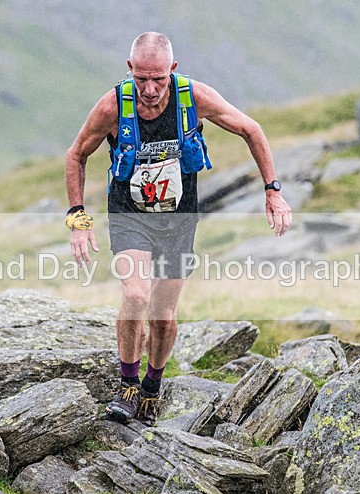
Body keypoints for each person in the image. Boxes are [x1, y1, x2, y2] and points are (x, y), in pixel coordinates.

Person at [64, 32, 292, 426]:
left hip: (178, 219)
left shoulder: (195, 98)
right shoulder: (111, 107)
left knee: (163, 317)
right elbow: (76, 155)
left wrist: (273, 191)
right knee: (135, 294)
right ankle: (127, 386)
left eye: (159, 79)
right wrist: (78, 219)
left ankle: (153, 386)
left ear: (173, 69)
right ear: (130, 70)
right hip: (129, 215)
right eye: (142, 80)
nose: (150, 90)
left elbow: (251, 130)